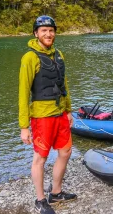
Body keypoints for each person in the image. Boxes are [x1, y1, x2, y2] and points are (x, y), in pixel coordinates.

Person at [19, 15, 77, 214]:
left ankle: (56, 191)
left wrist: (69, 110)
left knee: (65, 152)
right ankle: (40, 199)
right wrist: (24, 126)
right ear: (36, 33)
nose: (48, 33)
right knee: (40, 158)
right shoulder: (30, 57)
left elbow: (64, 84)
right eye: (43, 30)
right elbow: (23, 92)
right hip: (42, 116)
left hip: (60, 113)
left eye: (51, 30)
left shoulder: (58, 54)